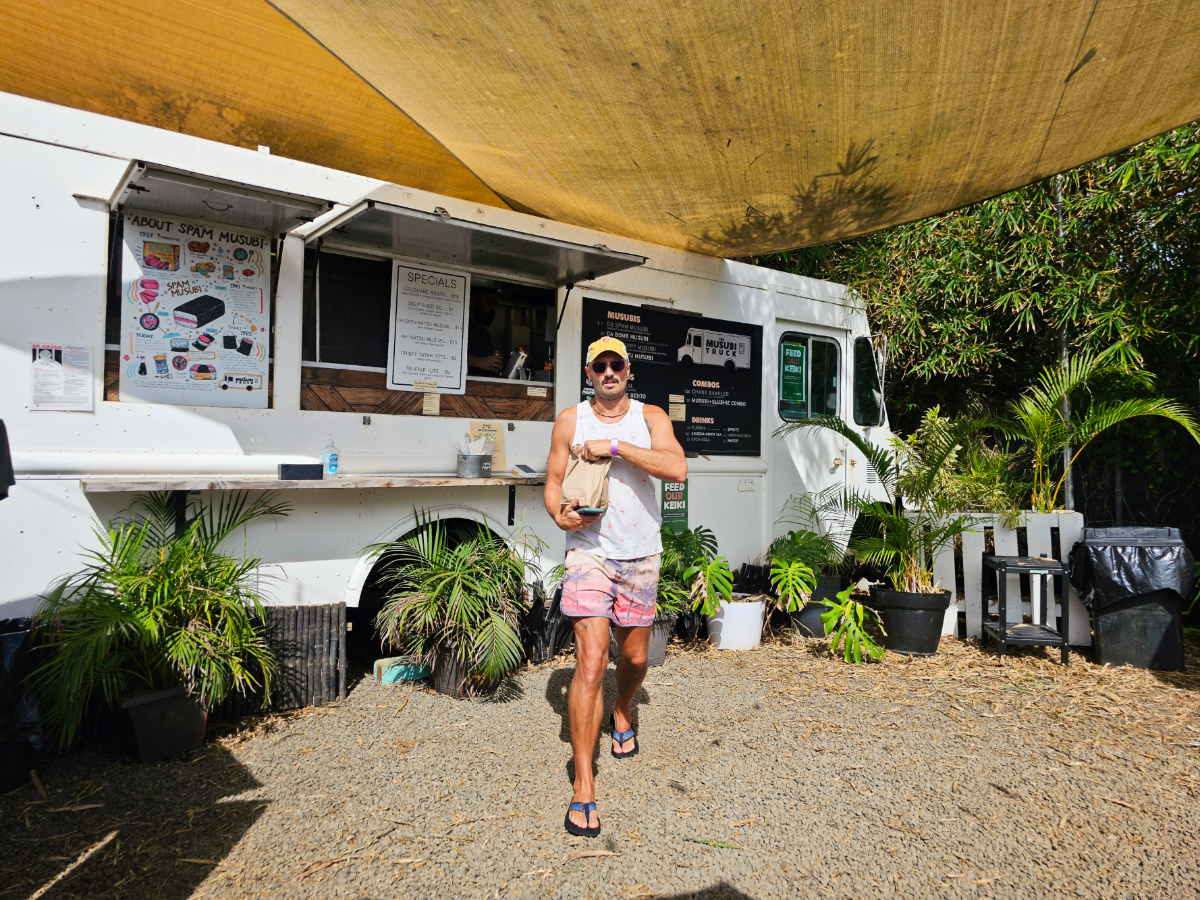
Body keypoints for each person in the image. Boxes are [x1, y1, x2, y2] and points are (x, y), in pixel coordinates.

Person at [543, 335, 688, 838]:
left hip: (641, 552)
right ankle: (584, 785)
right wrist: (559, 513)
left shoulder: (650, 418)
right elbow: (554, 482)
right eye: (599, 365)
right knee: (589, 661)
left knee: (634, 660)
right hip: (588, 551)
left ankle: (622, 709)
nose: (608, 372)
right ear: (589, 373)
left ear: (628, 370)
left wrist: (616, 447)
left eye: (616, 364)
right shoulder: (569, 420)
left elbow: (678, 468)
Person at [466, 288, 503, 375]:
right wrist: (477, 361)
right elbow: (449, 354)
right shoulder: (460, 327)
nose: (492, 308)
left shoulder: (483, 332)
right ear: (473, 300)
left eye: (495, 304)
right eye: (489, 302)